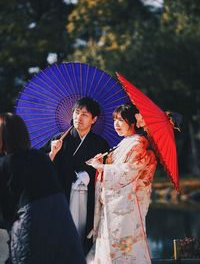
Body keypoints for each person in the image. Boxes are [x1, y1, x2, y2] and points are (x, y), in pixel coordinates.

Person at [0, 113, 86, 264]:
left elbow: (6, 211)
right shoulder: (39, 157)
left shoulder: (6, 164)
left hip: (31, 224)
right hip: (61, 219)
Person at [86, 103, 157, 264]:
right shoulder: (127, 142)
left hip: (126, 207)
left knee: (122, 248)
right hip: (116, 205)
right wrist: (104, 160)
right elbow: (118, 166)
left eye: (121, 120)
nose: (116, 124)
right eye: (115, 120)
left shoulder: (137, 143)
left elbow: (128, 172)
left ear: (132, 122)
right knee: (111, 247)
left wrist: (102, 167)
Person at [45, 97, 109, 255]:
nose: (78, 117)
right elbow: (40, 168)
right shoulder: (58, 140)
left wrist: (91, 173)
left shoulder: (101, 144)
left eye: (85, 115)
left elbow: (106, 173)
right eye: (76, 112)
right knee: (62, 236)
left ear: (94, 119)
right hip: (63, 195)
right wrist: (52, 153)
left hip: (88, 196)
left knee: (84, 236)